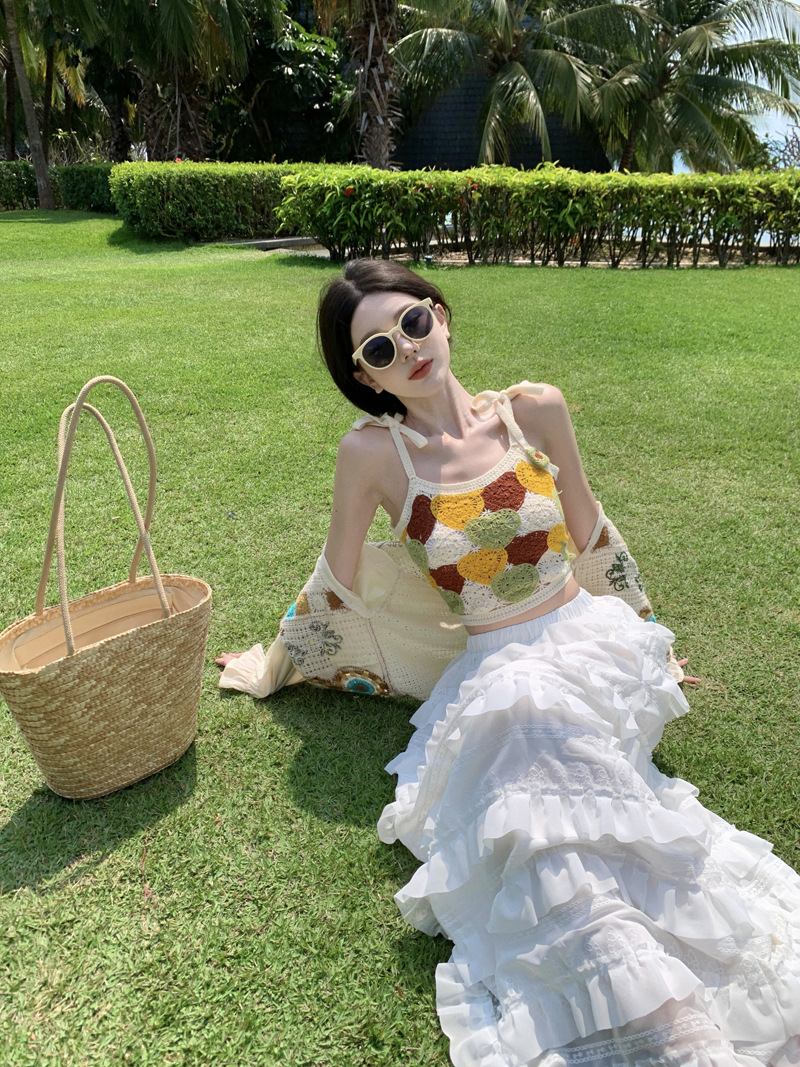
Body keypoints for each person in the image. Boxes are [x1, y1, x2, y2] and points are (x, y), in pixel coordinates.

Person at [218, 260, 800, 1066]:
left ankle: (652, 1005)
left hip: (589, 642)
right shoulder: (372, 455)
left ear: (440, 313)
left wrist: (649, 634)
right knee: (535, 797)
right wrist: (278, 661)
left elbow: (589, 527)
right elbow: (336, 584)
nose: (407, 349)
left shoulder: (535, 410)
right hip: (497, 662)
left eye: (413, 323)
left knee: (545, 758)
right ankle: (661, 1019)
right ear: (365, 377)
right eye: (379, 349)